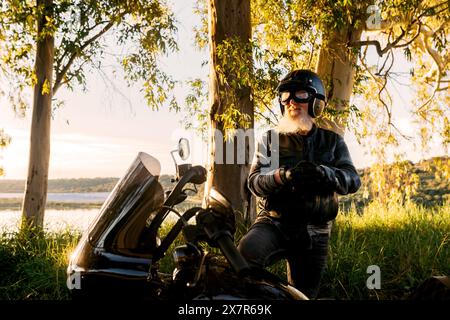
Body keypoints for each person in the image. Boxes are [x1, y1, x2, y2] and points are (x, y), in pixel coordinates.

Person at [238, 69, 361, 299]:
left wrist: (326, 174)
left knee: (305, 295)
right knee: (245, 256)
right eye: (285, 96)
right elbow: (254, 182)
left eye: (300, 95)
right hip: (273, 222)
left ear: (316, 102)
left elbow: (353, 180)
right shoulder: (270, 140)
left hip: (316, 229)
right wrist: (281, 176)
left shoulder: (332, 141)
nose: (292, 101)